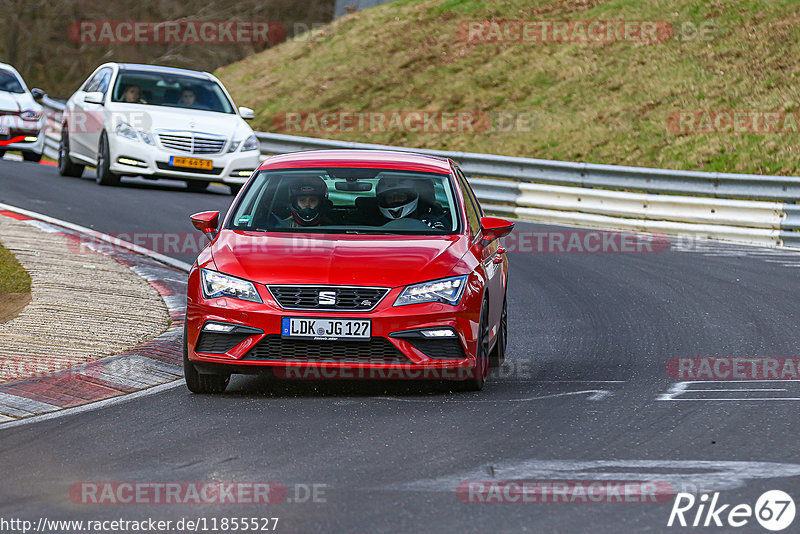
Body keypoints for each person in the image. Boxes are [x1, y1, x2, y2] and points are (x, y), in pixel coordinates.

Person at [375, 176, 450, 230]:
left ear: (411, 196)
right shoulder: (372, 222)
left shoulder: (433, 221)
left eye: (400, 196)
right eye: (390, 197)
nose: (395, 199)